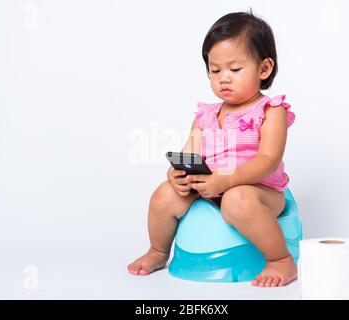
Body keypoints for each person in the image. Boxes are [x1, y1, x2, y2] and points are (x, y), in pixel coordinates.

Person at [127, 10, 297, 287]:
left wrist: (227, 180)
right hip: (210, 189)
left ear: (264, 69)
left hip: (258, 193)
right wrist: (178, 175)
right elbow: (189, 154)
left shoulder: (270, 110)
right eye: (215, 70)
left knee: (237, 199)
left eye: (235, 69)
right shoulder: (206, 114)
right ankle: (158, 251)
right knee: (163, 194)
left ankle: (280, 260)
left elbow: (268, 159)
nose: (223, 78)